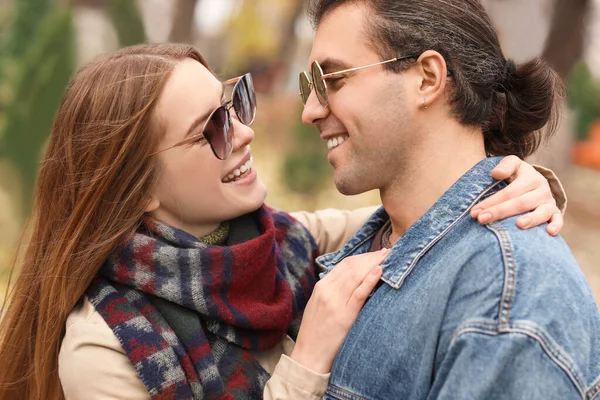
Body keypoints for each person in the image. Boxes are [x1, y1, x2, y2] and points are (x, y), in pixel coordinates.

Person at [0, 43, 564, 400]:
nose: (244, 133)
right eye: (211, 130)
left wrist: (515, 182)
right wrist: (309, 360)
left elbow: (419, 218)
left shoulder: (280, 240)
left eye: (235, 104)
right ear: (139, 188)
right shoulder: (103, 351)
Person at [299, 0, 600, 399]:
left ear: (427, 78)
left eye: (333, 79)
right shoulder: (373, 242)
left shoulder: (509, 297)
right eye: (311, 86)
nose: (310, 111)